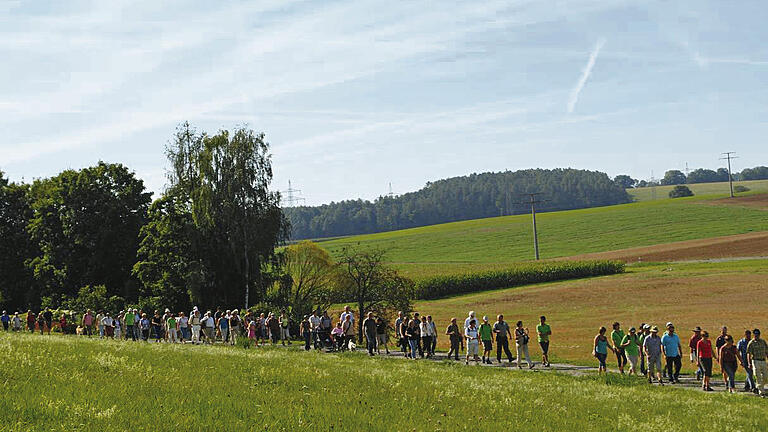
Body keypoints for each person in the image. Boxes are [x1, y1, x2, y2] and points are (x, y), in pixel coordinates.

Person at [746, 328, 768, 396]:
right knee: (758, 376)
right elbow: (748, 353)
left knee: (766, 377)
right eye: (755, 334)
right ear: (753, 335)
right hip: (755, 361)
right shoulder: (751, 343)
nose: (756, 336)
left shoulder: (763, 342)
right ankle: (762, 392)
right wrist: (749, 363)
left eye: (758, 334)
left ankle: (757, 386)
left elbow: (767, 352)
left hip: (763, 361)